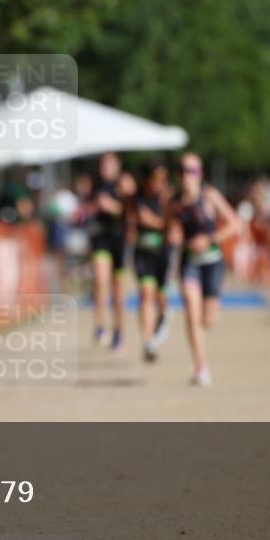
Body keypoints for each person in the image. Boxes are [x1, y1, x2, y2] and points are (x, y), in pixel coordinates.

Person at [167, 153, 242, 386]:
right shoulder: (174, 203)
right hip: (189, 263)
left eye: (193, 171)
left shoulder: (210, 196)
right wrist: (173, 236)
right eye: (183, 171)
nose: (187, 176)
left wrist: (209, 239)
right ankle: (201, 367)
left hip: (212, 262)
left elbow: (236, 224)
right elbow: (169, 229)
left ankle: (213, 309)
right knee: (191, 314)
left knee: (207, 320)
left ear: (200, 174)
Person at [89, 152, 135, 351]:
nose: (105, 169)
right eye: (103, 165)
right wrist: (95, 206)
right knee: (100, 280)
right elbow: (87, 208)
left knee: (117, 290)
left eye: (109, 165)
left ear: (118, 165)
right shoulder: (95, 183)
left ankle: (119, 330)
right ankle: (100, 324)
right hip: (101, 237)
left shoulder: (125, 183)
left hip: (119, 239)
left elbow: (133, 210)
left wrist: (114, 207)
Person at [132, 159, 173, 362]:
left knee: (161, 297)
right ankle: (148, 341)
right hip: (143, 253)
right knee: (146, 294)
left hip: (162, 254)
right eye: (157, 178)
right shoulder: (137, 198)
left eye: (164, 179)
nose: (161, 183)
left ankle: (165, 315)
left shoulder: (168, 198)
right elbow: (141, 218)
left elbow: (169, 223)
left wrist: (161, 220)